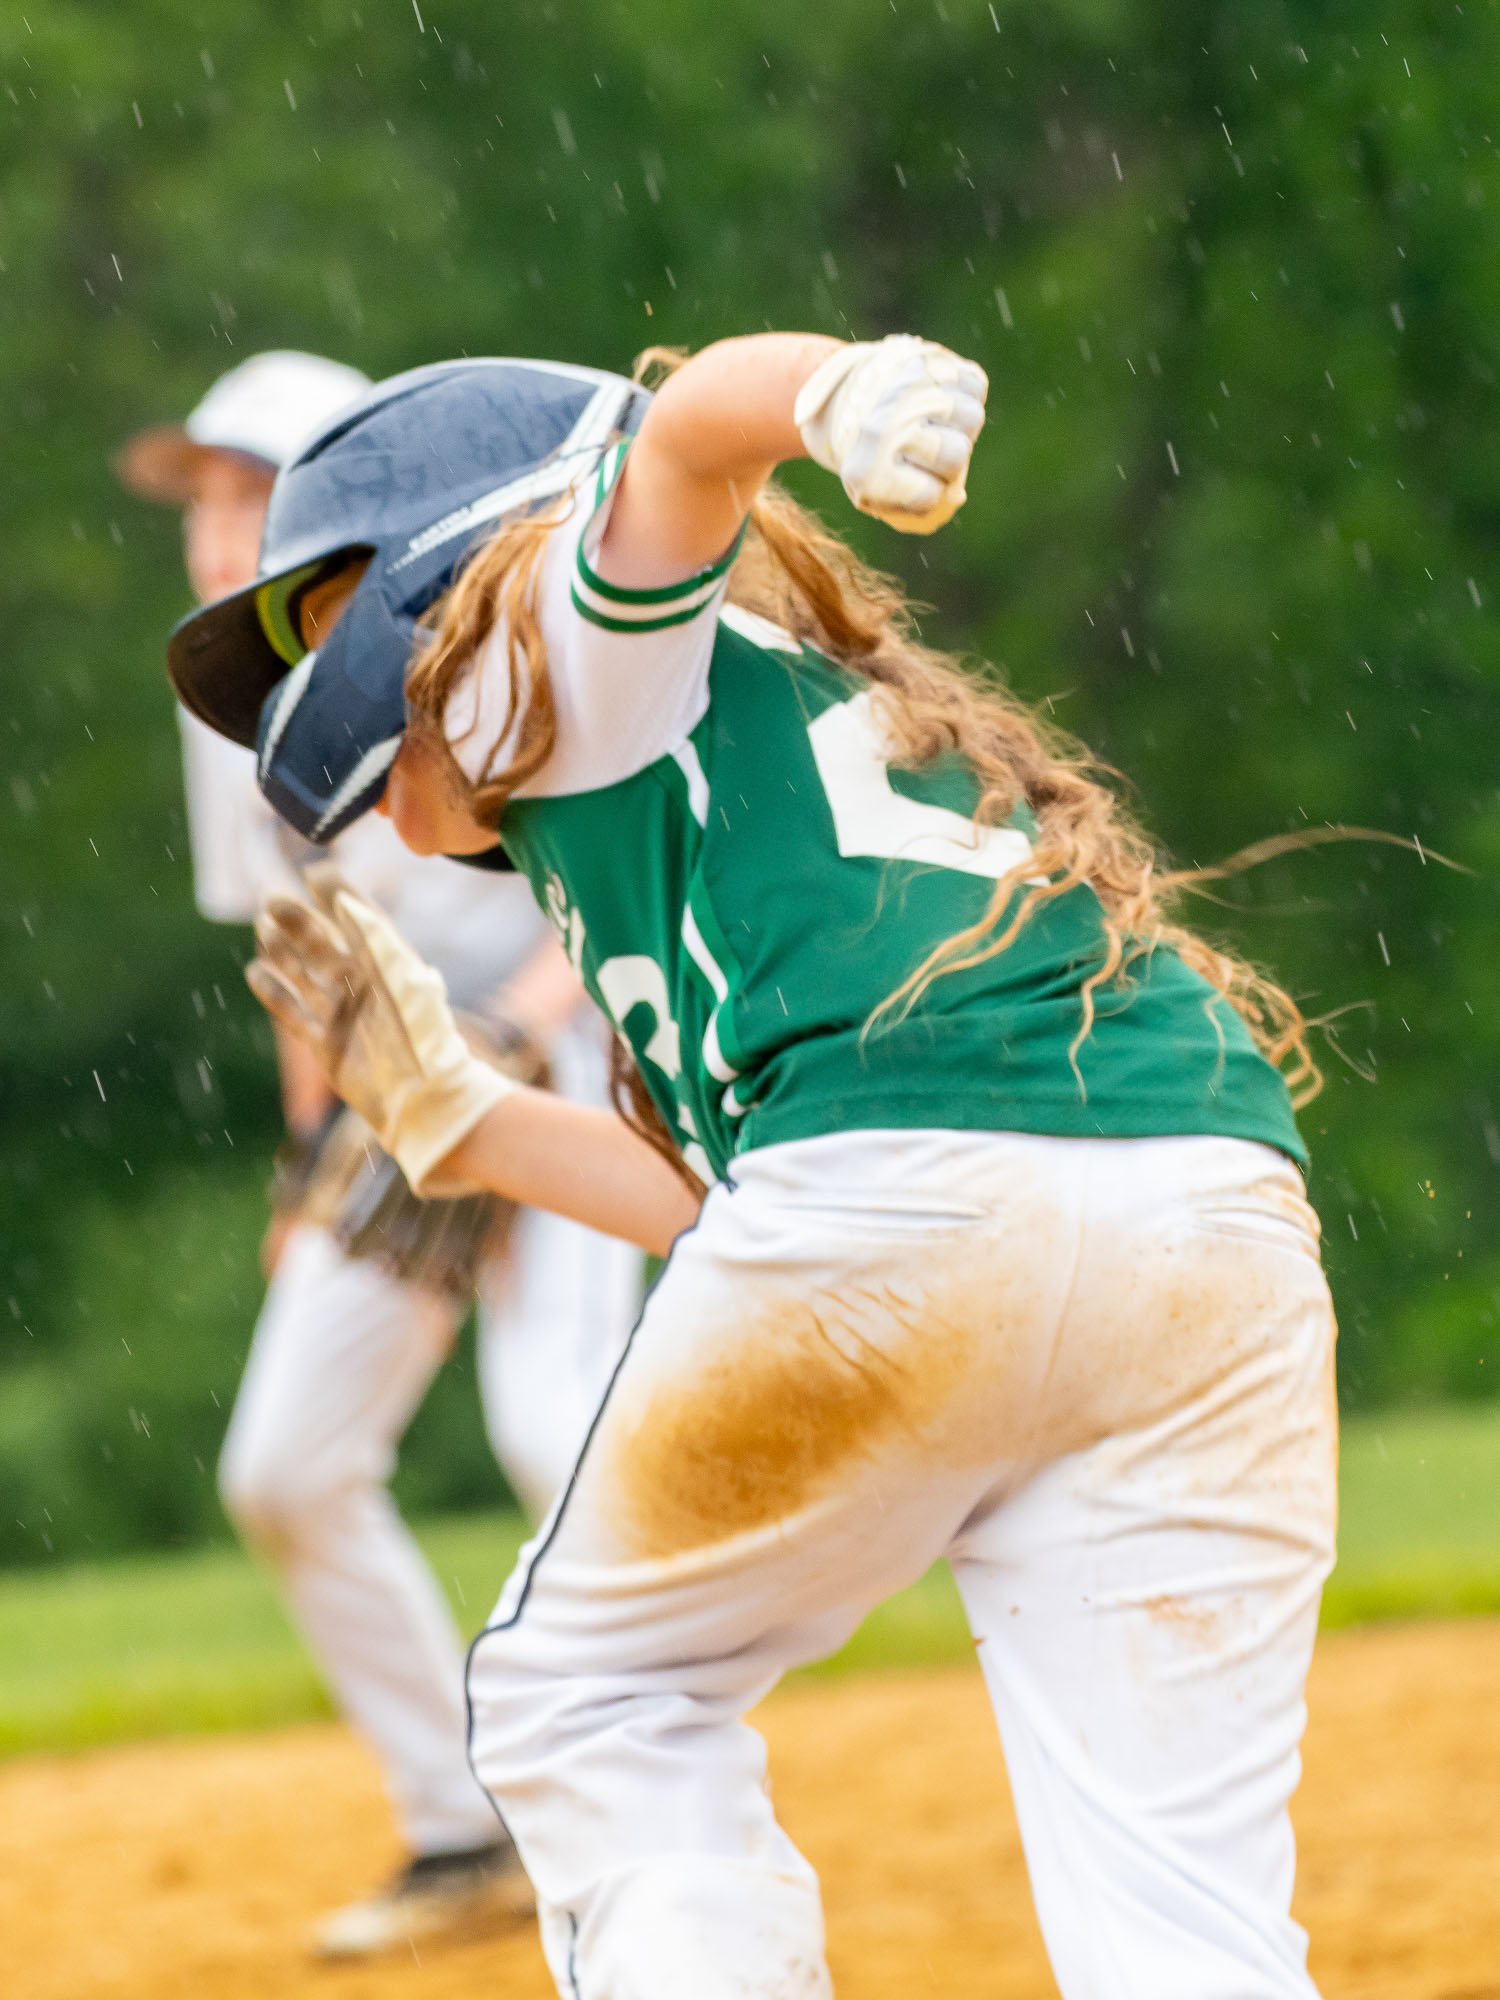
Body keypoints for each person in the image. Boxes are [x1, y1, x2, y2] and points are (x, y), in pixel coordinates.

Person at [175, 333, 1338, 2000]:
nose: (332, 736)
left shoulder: (554, 647)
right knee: (1181, 1910)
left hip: (912, 1192)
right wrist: (468, 1125)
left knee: (591, 1696)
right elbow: (766, 1216)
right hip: (1210, 1219)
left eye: (321, 615)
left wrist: (833, 395)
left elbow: (681, 435)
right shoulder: (707, 756)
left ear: (447, 568)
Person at [118, 350, 644, 1958]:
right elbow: (309, 947)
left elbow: (618, 860)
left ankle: (633, 1809)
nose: (214, 525)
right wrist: (315, 1157)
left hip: (556, 1048)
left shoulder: (474, 630)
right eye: (199, 494)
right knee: (284, 1468)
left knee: (561, 1436)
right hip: (392, 1095)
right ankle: (461, 1826)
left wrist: (525, 1037)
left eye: (243, 488)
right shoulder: (225, 705)